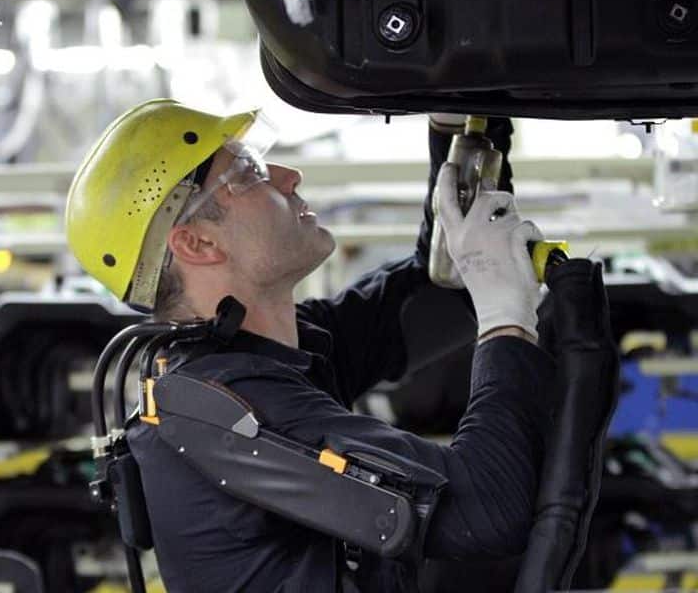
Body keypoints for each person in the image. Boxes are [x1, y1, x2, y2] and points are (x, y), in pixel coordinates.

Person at [65, 99, 554, 592]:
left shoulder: (263, 357)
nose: (289, 176)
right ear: (198, 244)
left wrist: (456, 128)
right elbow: (487, 509)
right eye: (248, 173)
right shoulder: (233, 410)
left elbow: (439, 297)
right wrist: (506, 320)